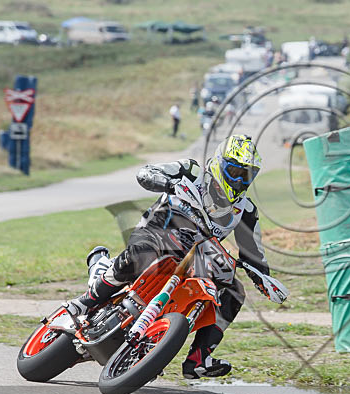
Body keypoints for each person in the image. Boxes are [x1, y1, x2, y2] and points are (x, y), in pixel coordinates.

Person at [67, 135, 288, 379]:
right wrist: (164, 181)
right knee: (142, 252)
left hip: (195, 257)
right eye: (234, 171)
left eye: (247, 175)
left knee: (234, 291)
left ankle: (198, 359)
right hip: (156, 232)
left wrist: (264, 279)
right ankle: (86, 301)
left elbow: (254, 255)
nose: (239, 180)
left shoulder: (245, 210)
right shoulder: (192, 172)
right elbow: (145, 173)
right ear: (219, 163)